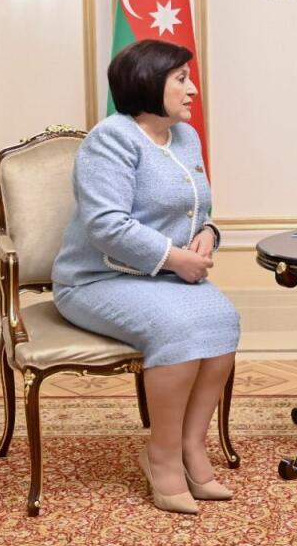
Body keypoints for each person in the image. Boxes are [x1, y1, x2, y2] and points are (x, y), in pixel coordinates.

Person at [52, 39, 240, 514]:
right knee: (176, 331)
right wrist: (176, 259)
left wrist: (209, 235)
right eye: (181, 79)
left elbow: (199, 209)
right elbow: (106, 225)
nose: (192, 89)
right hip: (96, 279)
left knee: (223, 321)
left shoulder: (186, 136)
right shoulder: (111, 139)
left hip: (162, 276)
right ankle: (161, 456)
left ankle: (192, 446)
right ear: (148, 81)